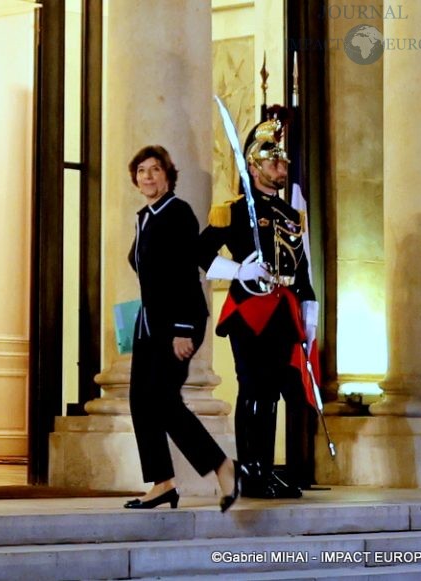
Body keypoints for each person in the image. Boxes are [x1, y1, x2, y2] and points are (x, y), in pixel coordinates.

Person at [199, 115, 318, 499]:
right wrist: (238, 269)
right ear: (253, 165)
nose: (281, 167)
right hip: (251, 309)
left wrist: (310, 308)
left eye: (282, 162)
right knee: (254, 388)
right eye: (274, 161)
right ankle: (249, 470)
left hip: (284, 310)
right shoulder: (232, 210)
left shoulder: (289, 215)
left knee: (277, 392)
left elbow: (300, 269)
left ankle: (265, 467)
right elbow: (199, 253)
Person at [123, 145, 244, 512]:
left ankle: (224, 468)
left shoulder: (177, 213)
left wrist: (181, 329)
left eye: (155, 169)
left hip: (179, 322)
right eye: (141, 170)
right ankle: (163, 483)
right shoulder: (145, 216)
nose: (147, 176)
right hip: (149, 324)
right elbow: (146, 271)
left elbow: (184, 274)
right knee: (141, 402)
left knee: (163, 400)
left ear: (168, 175)